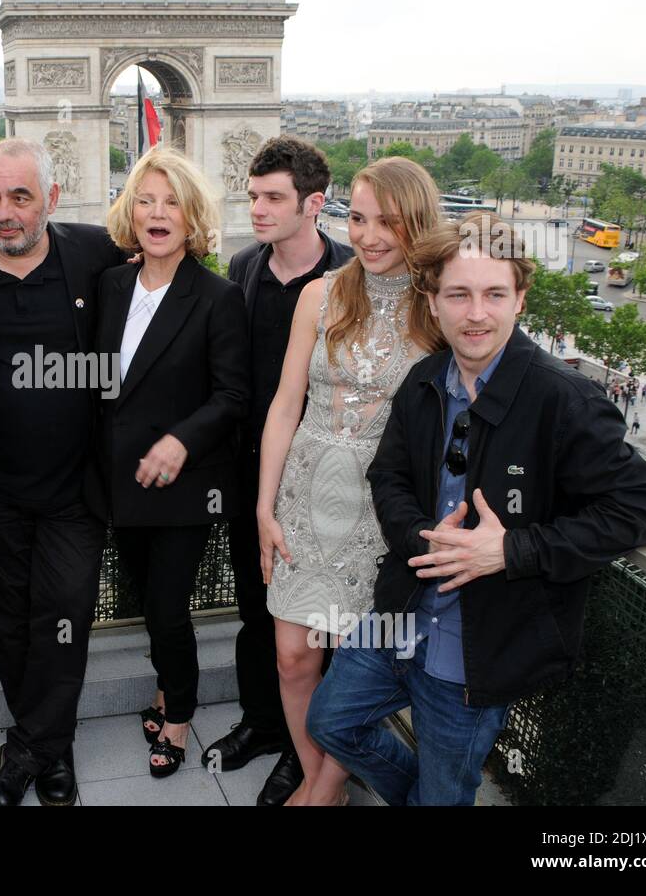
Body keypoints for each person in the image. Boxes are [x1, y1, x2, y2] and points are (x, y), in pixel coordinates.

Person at [307, 212, 646, 805]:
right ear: (432, 300)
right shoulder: (424, 381)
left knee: (447, 790)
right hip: (400, 616)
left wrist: (508, 549)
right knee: (332, 723)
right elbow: (388, 475)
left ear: (520, 299)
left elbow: (638, 509)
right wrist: (421, 534)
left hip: (479, 651)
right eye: (460, 294)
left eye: (495, 294)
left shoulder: (566, 399)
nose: (477, 314)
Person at [257, 156, 445, 806]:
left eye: (387, 222)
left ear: (416, 223)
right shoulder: (320, 293)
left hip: (380, 511)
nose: (368, 235)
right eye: (358, 218)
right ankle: (321, 784)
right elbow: (285, 405)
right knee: (293, 658)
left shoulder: (440, 309)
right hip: (305, 497)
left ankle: (320, 791)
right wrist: (264, 506)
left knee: (354, 674)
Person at [0, 138, 129, 806]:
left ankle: (31, 747)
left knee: (65, 613)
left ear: (52, 200)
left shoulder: (96, 254)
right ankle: (51, 753)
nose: (4, 213)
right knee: (9, 619)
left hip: (74, 488)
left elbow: (163, 296)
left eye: (20, 196)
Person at [89, 146, 250, 779]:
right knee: (144, 600)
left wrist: (182, 441)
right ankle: (163, 689)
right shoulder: (109, 284)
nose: (158, 213)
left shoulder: (217, 297)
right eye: (145, 201)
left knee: (165, 608)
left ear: (193, 217)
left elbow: (233, 396)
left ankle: (178, 715)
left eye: (172, 202)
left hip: (185, 489)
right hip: (121, 484)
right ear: (131, 214)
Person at [203, 136, 352, 805]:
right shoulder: (241, 268)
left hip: (330, 487)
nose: (256, 208)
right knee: (257, 611)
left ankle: (308, 754)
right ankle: (263, 723)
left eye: (271, 198)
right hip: (250, 480)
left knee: (316, 628)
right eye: (252, 195)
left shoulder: (353, 278)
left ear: (313, 204)